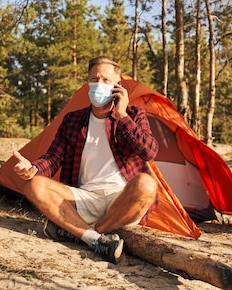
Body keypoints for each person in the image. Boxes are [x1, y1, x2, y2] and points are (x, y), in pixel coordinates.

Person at [12, 56, 159, 264]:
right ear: (87, 83)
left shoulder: (134, 114)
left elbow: (150, 151)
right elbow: (54, 158)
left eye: (106, 80)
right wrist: (33, 168)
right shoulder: (73, 119)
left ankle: (83, 234)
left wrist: (123, 115)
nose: (99, 84)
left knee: (147, 184)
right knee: (34, 185)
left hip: (121, 200)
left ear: (118, 86)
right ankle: (95, 239)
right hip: (84, 199)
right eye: (94, 79)